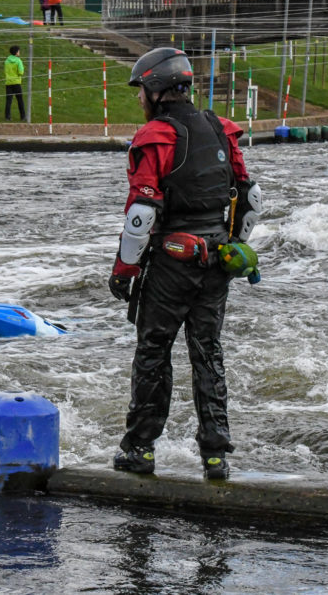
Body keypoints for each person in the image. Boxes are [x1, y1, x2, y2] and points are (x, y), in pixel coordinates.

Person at [108, 47, 258, 481]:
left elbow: (142, 214)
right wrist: (233, 247)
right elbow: (250, 200)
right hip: (217, 261)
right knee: (208, 353)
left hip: (172, 262)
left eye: (141, 91)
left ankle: (139, 449)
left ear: (156, 90)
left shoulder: (155, 137)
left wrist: (124, 271)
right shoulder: (221, 129)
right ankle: (216, 456)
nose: (139, 99)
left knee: (153, 353)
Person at [4, 45, 25, 121]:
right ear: (16, 52)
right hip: (16, 82)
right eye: (19, 51)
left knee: (9, 100)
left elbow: (5, 71)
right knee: (20, 100)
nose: (19, 52)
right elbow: (21, 72)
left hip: (8, 83)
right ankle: (23, 116)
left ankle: (7, 116)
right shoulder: (18, 61)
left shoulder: (6, 61)